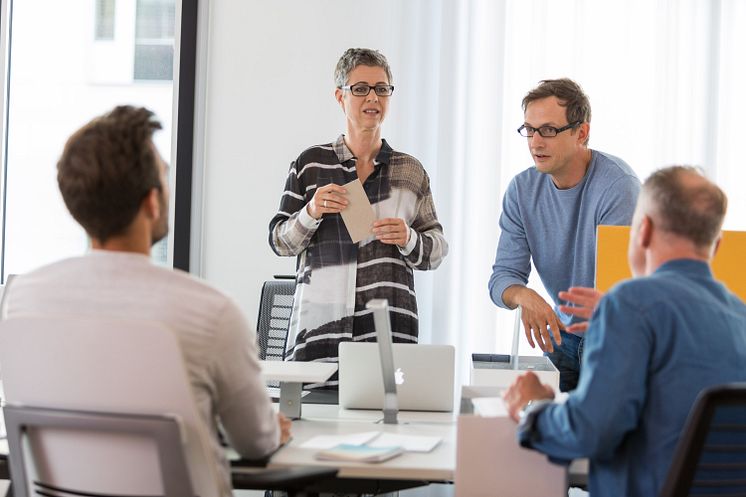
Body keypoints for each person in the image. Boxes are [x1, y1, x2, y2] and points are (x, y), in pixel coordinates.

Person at [4, 106, 290, 497]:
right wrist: (275, 428)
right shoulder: (212, 313)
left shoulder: (19, 302)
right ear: (152, 202)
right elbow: (256, 441)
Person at [503, 166, 746, 497]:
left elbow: (590, 431)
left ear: (642, 231)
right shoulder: (740, 316)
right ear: (716, 246)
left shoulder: (630, 304)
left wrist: (537, 408)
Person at [269, 48, 448, 385]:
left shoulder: (410, 171)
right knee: (312, 434)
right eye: (361, 88)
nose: (373, 97)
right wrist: (311, 212)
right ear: (341, 96)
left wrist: (408, 238)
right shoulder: (310, 164)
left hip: (388, 337)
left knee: (388, 433)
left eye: (382, 88)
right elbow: (280, 241)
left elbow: (436, 251)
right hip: (319, 338)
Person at [488, 78, 640, 391]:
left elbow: (618, 293)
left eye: (548, 130)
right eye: (529, 129)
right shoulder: (521, 191)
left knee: (601, 437)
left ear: (581, 133)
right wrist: (525, 296)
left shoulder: (617, 186)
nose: (535, 142)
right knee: (545, 435)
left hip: (609, 340)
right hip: (560, 338)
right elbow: (501, 278)